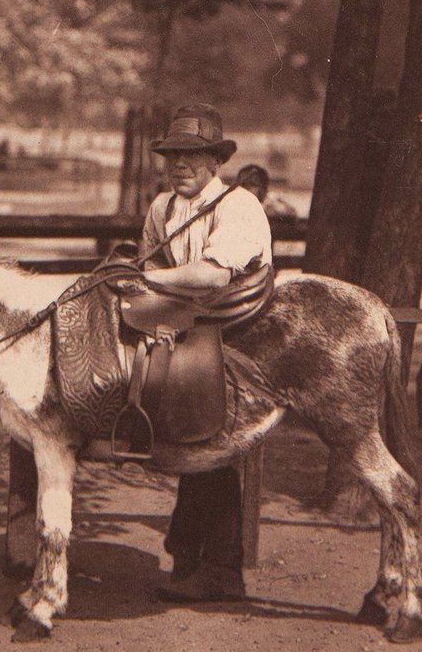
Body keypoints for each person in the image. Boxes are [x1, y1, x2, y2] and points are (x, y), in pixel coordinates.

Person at [138, 103, 273, 602]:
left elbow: (214, 275)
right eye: (173, 155)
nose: (181, 165)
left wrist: (146, 279)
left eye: (194, 156)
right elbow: (146, 260)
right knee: (178, 423)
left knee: (209, 435)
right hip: (186, 326)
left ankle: (218, 566)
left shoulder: (238, 206)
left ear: (215, 161)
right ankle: (189, 552)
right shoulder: (162, 208)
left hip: (238, 332)